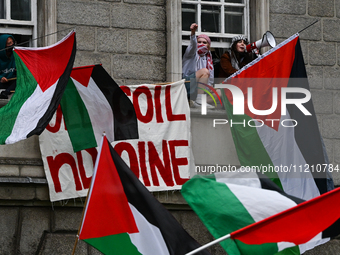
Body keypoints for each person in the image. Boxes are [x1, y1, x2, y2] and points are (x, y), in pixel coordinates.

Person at [182, 23, 215, 108]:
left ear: (208, 46)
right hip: (187, 84)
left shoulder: (208, 58)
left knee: (220, 92)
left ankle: (195, 102)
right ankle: (199, 101)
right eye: (199, 42)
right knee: (204, 72)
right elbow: (193, 46)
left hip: (199, 87)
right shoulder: (191, 53)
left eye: (204, 42)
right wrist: (193, 33)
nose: (201, 44)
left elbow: (210, 79)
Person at [0, 34, 16, 99]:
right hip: (2, 82)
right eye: (9, 43)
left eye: (13, 42)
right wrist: (1, 78)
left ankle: (6, 93)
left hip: (12, 82)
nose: (12, 45)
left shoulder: (16, 56)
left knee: (20, 81)